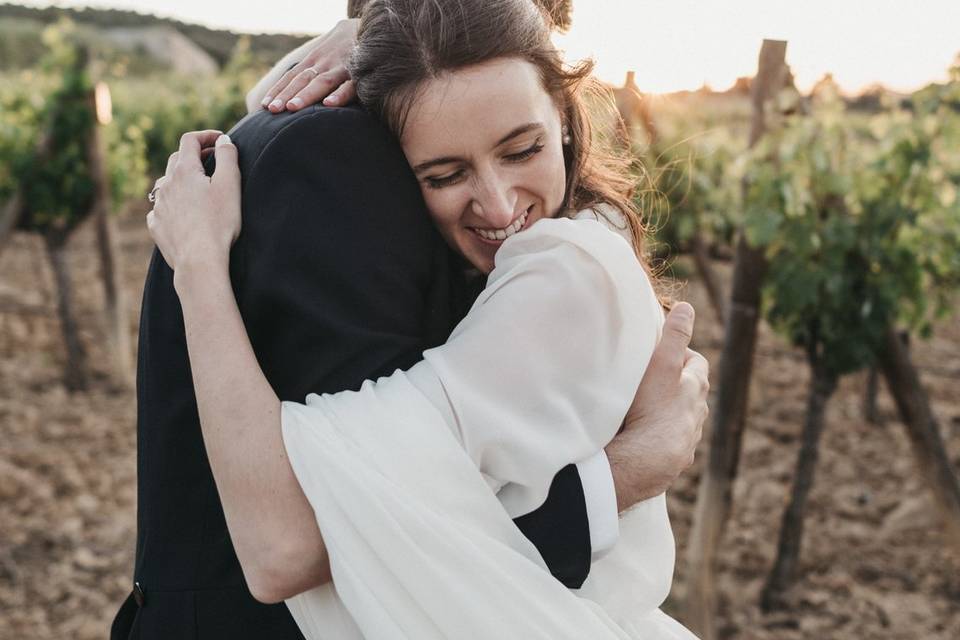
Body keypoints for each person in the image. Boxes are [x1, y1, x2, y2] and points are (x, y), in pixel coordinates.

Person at [115, 3, 707, 640]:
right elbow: (322, 537)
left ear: (563, 117)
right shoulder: (332, 147)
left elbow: (323, 538)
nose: (500, 204)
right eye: (445, 174)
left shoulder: (562, 265)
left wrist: (199, 267)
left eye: (523, 149)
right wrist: (628, 470)